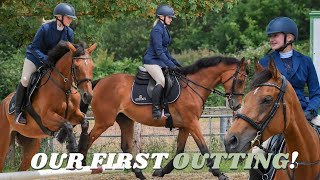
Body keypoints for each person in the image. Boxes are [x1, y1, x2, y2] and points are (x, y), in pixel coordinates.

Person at [251, 17, 320, 179]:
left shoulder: (305, 61)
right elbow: (259, 95)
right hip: (277, 116)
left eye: (275, 35)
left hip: (305, 112)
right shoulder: (265, 62)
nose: (271, 39)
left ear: (289, 37)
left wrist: (311, 110)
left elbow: (316, 92)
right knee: (257, 153)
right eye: (270, 36)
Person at [15, 3, 76, 125]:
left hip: (53, 62)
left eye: (71, 18)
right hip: (35, 58)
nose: (71, 20)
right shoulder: (45, 29)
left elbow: (70, 51)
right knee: (26, 79)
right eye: (68, 17)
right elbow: (34, 47)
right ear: (59, 17)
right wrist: (45, 58)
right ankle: (18, 112)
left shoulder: (69, 32)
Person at [143, 4, 182, 120]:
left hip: (159, 61)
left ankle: (165, 106)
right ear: (162, 17)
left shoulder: (164, 29)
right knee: (161, 80)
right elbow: (159, 51)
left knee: (171, 78)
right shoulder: (157, 30)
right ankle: (155, 110)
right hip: (151, 61)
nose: (171, 19)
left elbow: (166, 52)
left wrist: (176, 63)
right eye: (169, 17)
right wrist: (170, 65)